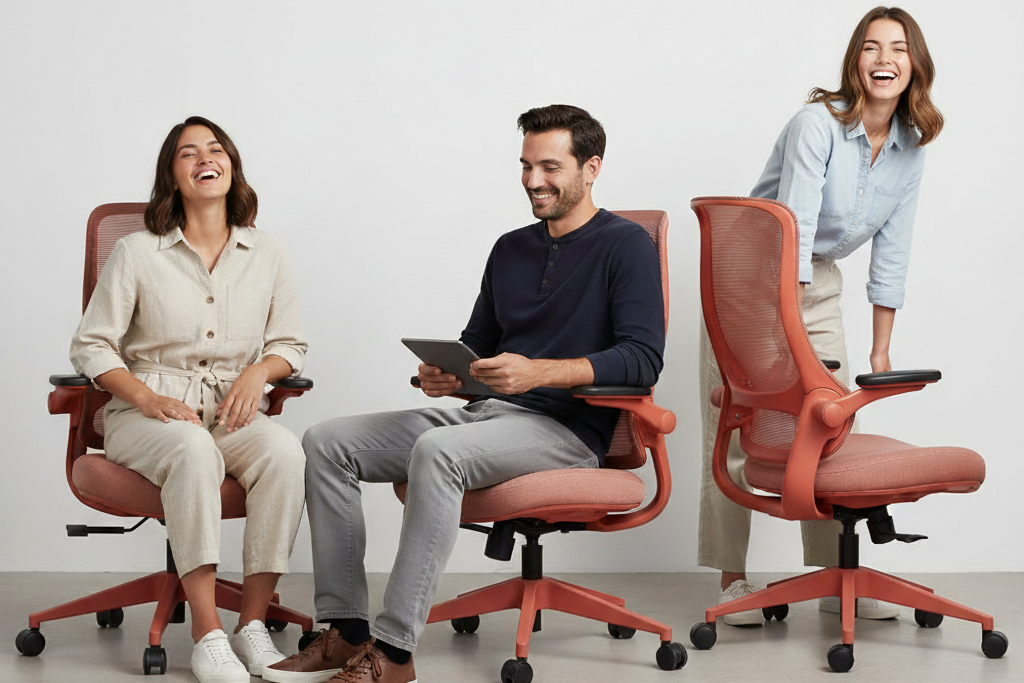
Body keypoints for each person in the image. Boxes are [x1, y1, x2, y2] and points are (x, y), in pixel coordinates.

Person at [264, 104, 664, 683]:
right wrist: (446, 376)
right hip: (487, 414)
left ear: (592, 167)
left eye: (549, 167)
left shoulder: (626, 245)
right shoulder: (510, 248)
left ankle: (395, 653)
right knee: (327, 441)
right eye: (525, 165)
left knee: (437, 453)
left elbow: (642, 359)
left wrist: (539, 373)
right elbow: (478, 344)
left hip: (565, 430)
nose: (533, 181)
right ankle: (346, 630)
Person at [698, 6, 944, 626]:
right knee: (741, 423)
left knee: (827, 425)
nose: (883, 59)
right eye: (869, 47)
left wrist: (880, 353)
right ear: (853, 62)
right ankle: (732, 581)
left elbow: (893, 254)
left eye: (897, 47)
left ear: (915, 63)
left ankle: (831, 576)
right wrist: (788, 335)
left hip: (819, 278)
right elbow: (795, 228)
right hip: (753, 277)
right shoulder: (817, 125)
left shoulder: (911, 150)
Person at [70, 116, 309, 683]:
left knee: (284, 453)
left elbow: (290, 344)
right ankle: (207, 633)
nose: (205, 157)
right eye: (187, 153)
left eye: (215, 147)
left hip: (227, 408)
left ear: (231, 164)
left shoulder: (267, 252)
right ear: (173, 176)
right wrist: (145, 397)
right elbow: (91, 344)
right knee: (192, 450)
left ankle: (251, 626)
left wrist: (259, 373)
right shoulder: (137, 252)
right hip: (145, 414)